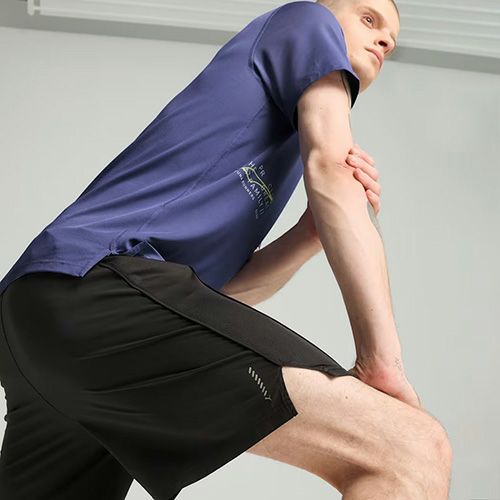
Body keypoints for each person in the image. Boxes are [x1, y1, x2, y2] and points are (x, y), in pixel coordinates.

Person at [0, 0, 452, 498]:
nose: (385, 39)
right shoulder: (309, 21)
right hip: (92, 286)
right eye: (368, 19)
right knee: (413, 448)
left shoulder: (276, 142)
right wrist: (381, 361)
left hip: (36, 320)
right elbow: (333, 169)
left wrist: (309, 234)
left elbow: (221, 296)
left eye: (392, 37)